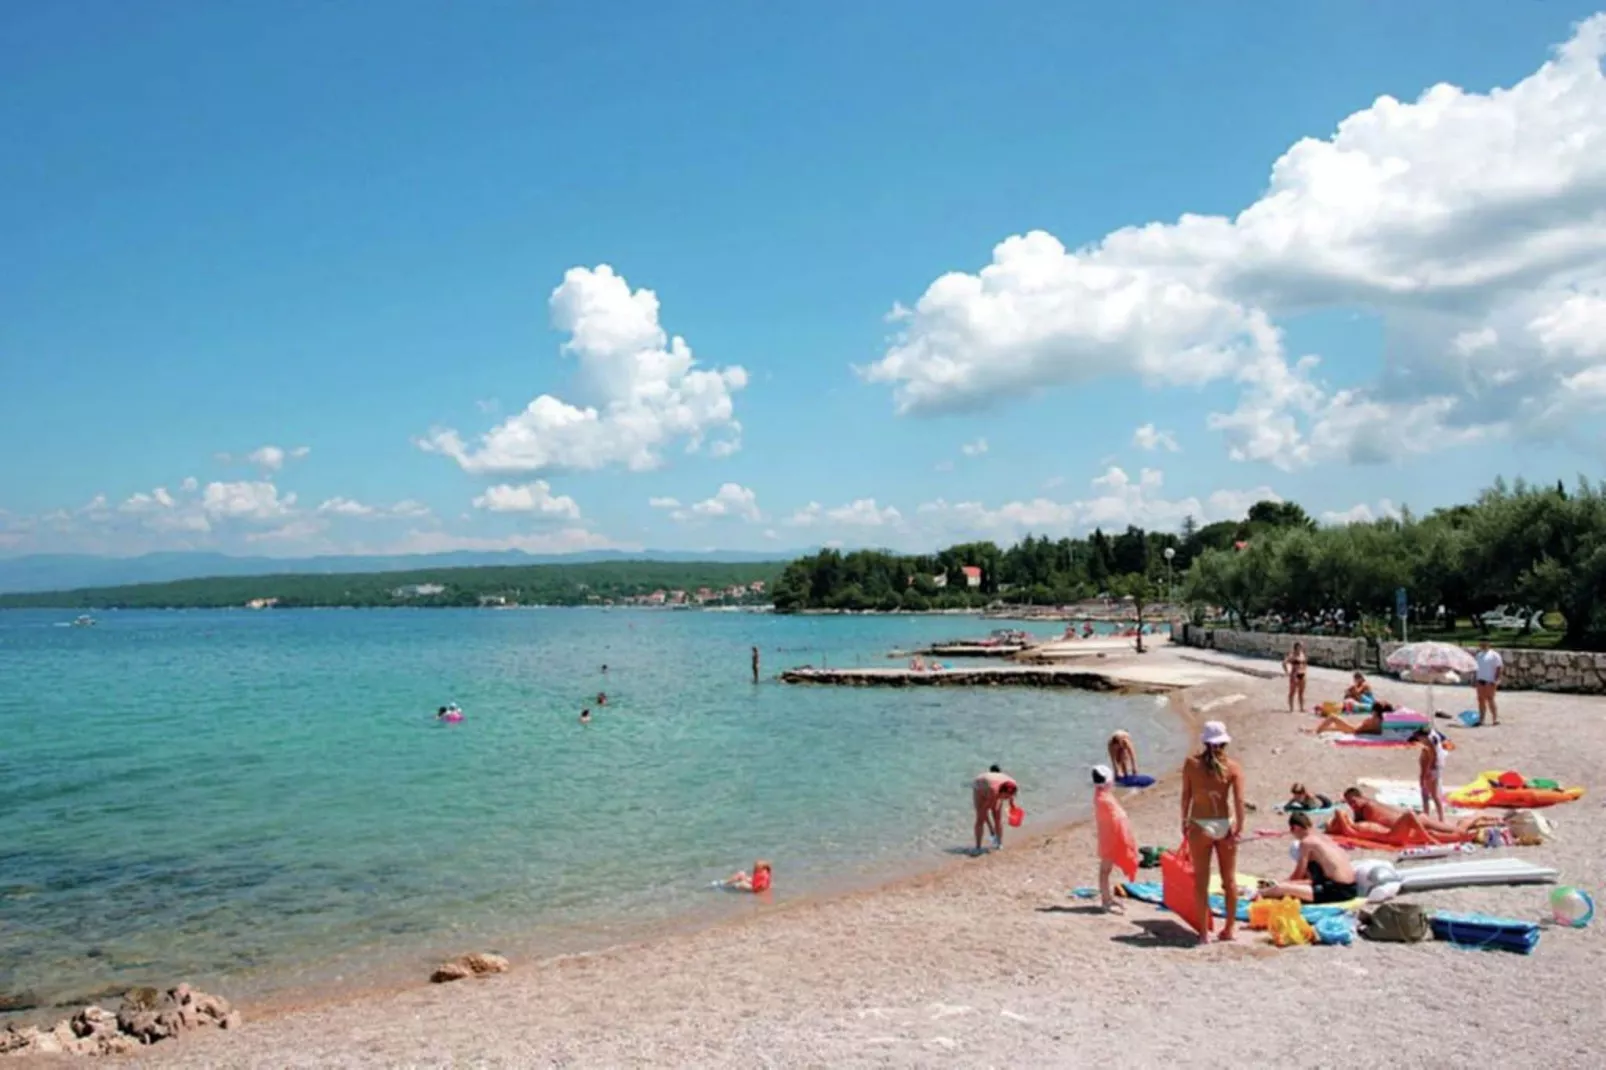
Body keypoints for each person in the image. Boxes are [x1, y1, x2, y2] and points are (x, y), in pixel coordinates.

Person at [1180, 722, 1245, 944]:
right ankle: (1229, 929)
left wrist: (1184, 821)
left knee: (1201, 880)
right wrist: (1239, 827)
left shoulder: (1191, 764)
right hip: (1223, 824)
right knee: (1229, 881)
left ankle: (1203, 934)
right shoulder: (1233, 767)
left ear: (1204, 741)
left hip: (1199, 824)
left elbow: (1186, 796)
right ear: (1224, 743)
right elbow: (1238, 801)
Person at [1257, 812, 1359, 903]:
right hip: (1352, 888)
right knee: (1290, 887)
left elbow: (1298, 875)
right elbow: (1314, 879)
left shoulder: (1307, 842)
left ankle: (1255, 893)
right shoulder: (1324, 837)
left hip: (1337, 890)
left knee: (1280, 889)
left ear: (1295, 828)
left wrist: (1282, 884)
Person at [1334, 787, 1502, 839]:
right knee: (1451, 831)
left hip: (1413, 821)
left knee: (1455, 832)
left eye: (1353, 802)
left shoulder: (1368, 807)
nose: (1352, 806)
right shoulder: (1365, 806)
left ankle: (1476, 818)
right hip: (1412, 821)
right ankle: (1479, 822)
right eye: (1350, 804)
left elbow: (1374, 826)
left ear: (1360, 797)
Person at [1093, 765, 1138, 912]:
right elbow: (1118, 819)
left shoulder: (1100, 795)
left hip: (1107, 837)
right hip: (1111, 839)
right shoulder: (1105, 799)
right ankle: (1106, 901)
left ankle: (1107, 898)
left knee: (1105, 870)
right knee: (1105, 871)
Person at [972, 765, 1019, 854]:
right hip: (979, 785)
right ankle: (978, 847)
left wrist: (1012, 805)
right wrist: (991, 828)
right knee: (980, 819)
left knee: (997, 817)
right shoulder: (993, 791)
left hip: (995, 783)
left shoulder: (1013, 785)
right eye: (1005, 797)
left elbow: (1011, 796)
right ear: (1001, 792)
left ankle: (999, 843)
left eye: (1008, 797)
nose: (1006, 799)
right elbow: (983, 810)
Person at [1411, 728, 1448, 823]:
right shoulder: (1432, 738)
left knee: (1432, 794)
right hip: (1430, 768)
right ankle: (1429, 814)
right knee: (1427, 793)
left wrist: (1426, 772)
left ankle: (1440, 818)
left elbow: (1432, 758)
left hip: (1431, 769)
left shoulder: (1430, 744)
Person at [1474, 639, 1503, 726]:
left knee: (1490, 699)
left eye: (1484, 643)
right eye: (1481, 643)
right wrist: (1474, 679)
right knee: (1480, 700)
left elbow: (1499, 668)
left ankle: (1495, 719)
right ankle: (1481, 719)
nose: (1482, 645)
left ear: (1488, 644)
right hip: (1480, 680)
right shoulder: (1479, 655)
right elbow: (1476, 668)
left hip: (1490, 681)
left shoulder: (1494, 655)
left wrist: (1496, 680)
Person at [1282, 641, 1309, 713]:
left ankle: (1302, 708)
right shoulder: (1292, 655)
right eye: (1299, 646)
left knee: (1301, 692)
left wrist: (1305, 671)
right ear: (1296, 647)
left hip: (1302, 674)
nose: (1300, 648)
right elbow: (1284, 663)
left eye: (1301, 646)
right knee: (1292, 692)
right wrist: (1287, 672)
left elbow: (1305, 664)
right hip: (1295, 674)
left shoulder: (1302, 654)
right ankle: (1291, 708)